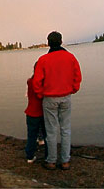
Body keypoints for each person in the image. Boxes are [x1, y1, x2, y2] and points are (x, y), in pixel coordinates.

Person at [33, 31, 82, 171]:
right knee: (66, 129)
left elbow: (37, 81)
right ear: (61, 42)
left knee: (51, 131)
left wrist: (40, 94)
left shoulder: (43, 60)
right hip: (65, 97)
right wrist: (73, 89)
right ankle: (65, 161)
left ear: (48, 43)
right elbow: (77, 76)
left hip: (49, 99)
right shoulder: (70, 57)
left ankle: (51, 161)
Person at [24, 63, 48, 163]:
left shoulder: (29, 81)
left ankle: (30, 156)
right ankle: (48, 156)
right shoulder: (44, 83)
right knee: (47, 135)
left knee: (31, 136)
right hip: (42, 113)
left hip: (30, 112)